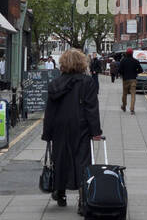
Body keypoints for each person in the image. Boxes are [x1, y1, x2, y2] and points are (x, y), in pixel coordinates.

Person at [41, 49, 103, 208]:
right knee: (82, 160)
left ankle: (60, 192)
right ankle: (83, 199)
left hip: (59, 126)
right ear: (82, 63)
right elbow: (91, 109)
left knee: (60, 158)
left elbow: (50, 110)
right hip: (80, 125)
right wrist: (95, 131)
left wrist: (47, 133)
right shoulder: (87, 82)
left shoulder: (55, 84)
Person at [118, 48, 143, 114]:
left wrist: (123, 74)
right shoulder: (136, 61)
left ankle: (124, 106)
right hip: (133, 80)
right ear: (132, 53)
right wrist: (135, 72)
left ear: (126, 53)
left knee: (124, 94)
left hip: (125, 79)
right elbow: (141, 70)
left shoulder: (123, 61)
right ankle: (132, 109)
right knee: (133, 94)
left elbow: (119, 71)